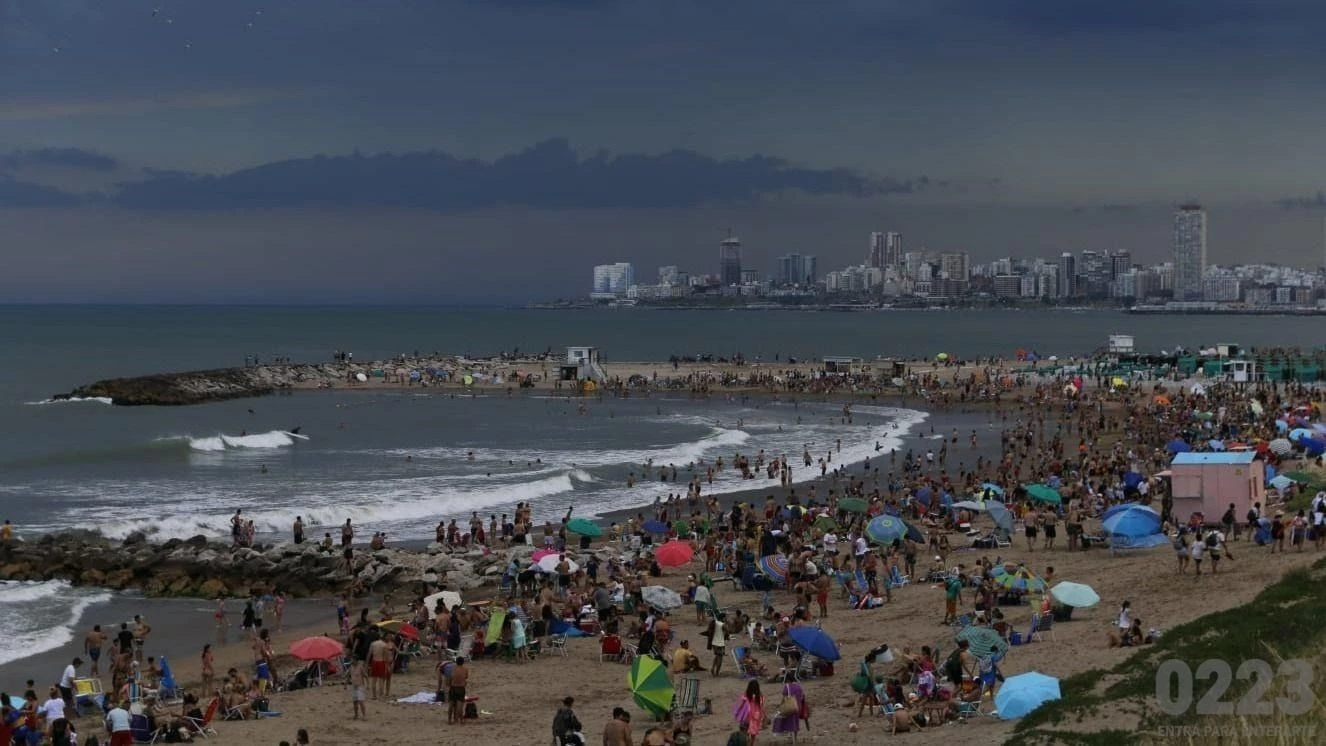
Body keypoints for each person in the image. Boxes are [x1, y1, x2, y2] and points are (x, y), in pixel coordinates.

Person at [734, 680, 764, 746]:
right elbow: (761, 707)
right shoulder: (759, 696)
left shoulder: (747, 694)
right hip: (755, 718)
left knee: (744, 735)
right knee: (753, 735)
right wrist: (762, 717)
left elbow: (741, 704)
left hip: (746, 717)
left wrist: (737, 712)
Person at [446, 657, 469, 724]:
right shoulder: (465, 669)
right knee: (460, 706)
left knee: (451, 705)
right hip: (461, 688)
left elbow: (449, 680)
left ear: (456, 662)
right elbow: (466, 677)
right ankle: (460, 720)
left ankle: (449, 720)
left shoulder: (453, 669)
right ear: (463, 662)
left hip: (453, 688)